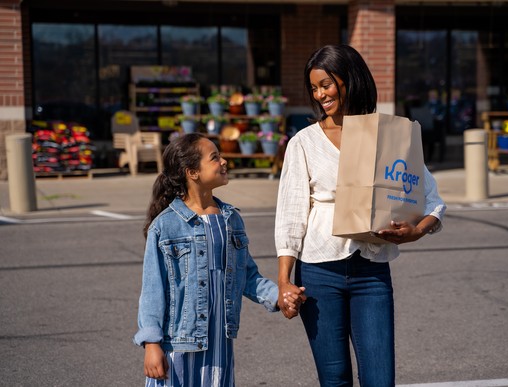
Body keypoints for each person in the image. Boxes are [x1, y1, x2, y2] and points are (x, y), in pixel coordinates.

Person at [275, 44, 447, 386]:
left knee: (380, 379)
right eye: (314, 88)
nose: (320, 94)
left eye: (326, 83)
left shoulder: (388, 136)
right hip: (319, 272)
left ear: (349, 78)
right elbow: (291, 216)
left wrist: (417, 231)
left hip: (372, 272)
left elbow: (432, 200)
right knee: (335, 378)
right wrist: (284, 281)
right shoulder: (304, 143)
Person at [133, 133, 305, 386]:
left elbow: (246, 275)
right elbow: (152, 291)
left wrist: (278, 296)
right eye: (215, 158)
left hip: (219, 347)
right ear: (192, 172)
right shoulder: (166, 226)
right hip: (179, 344)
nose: (224, 161)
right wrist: (151, 343)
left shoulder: (230, 219)